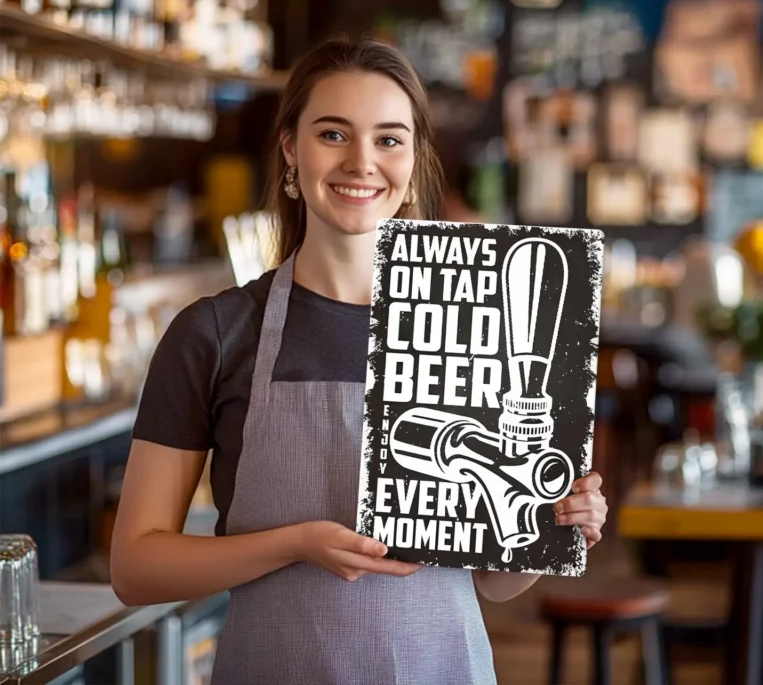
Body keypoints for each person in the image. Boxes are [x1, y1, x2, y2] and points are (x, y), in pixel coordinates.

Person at [110, 35, 608, 685]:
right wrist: (295, 545)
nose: (362, 161)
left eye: (389, 139)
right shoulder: (215, 333)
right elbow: (136, 569)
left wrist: (558, 524)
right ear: (291, 148)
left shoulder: (475, 329)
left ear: (414, 159)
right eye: (333, 134)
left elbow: (493, 581)